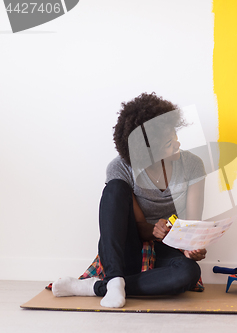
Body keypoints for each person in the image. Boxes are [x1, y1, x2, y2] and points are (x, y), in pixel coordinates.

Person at [52, 93, 207, 308]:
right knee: (114, 188)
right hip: (129, 249)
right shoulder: (121, 167)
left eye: (175, 135)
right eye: (169, 142)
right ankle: (115, 279)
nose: (177, 144)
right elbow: (139, 227)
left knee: (188, 273)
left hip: (169, 247)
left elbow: (193, 225)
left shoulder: (192, 165)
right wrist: (153, 229)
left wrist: (193, 247)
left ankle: (95, 287)